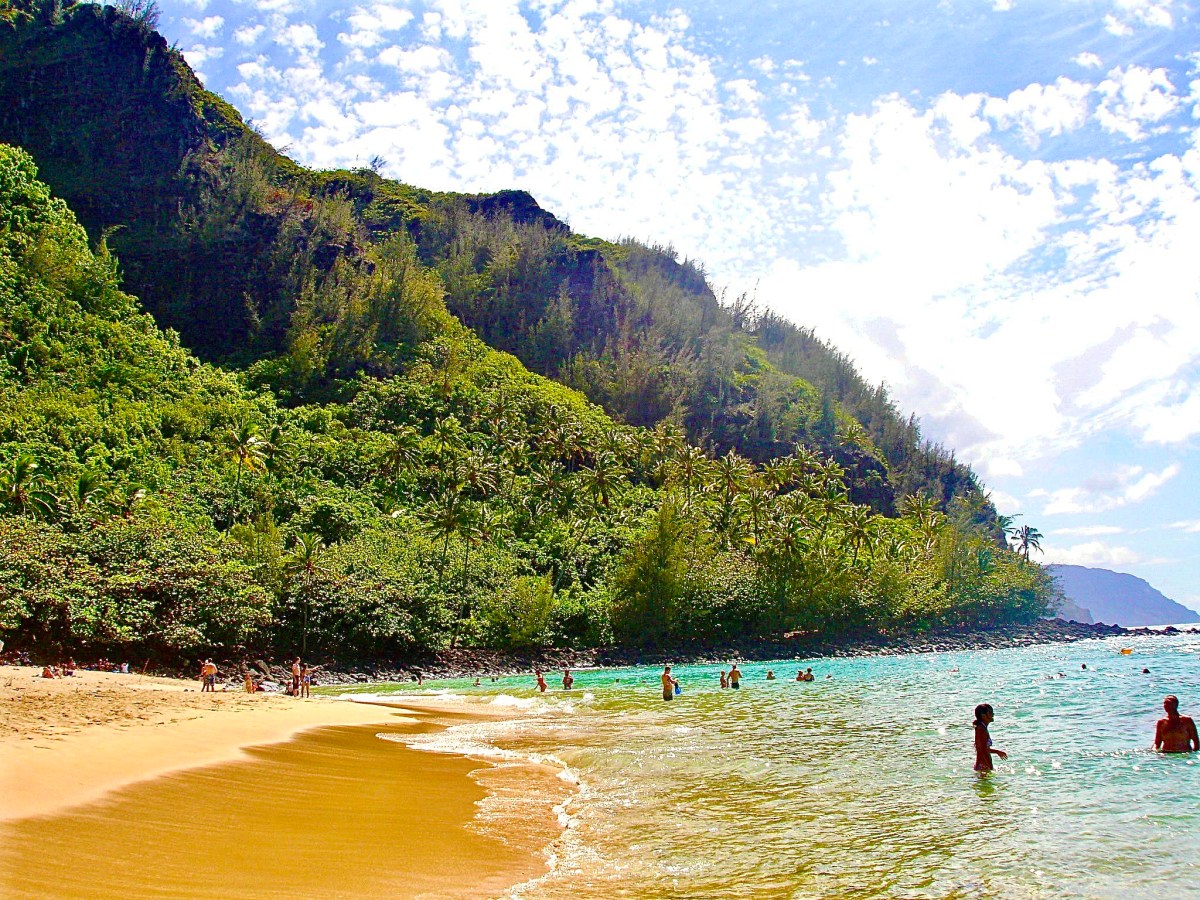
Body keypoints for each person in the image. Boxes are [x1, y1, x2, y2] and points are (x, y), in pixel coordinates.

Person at [973, 703, 1008, 772]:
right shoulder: (981, 730)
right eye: (990, 712)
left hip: (982, 766)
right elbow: (983, 749)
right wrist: (997, 752)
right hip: (983, 766)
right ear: (983, 716)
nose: (993, 714)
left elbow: (982, 748)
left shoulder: (982, 728)